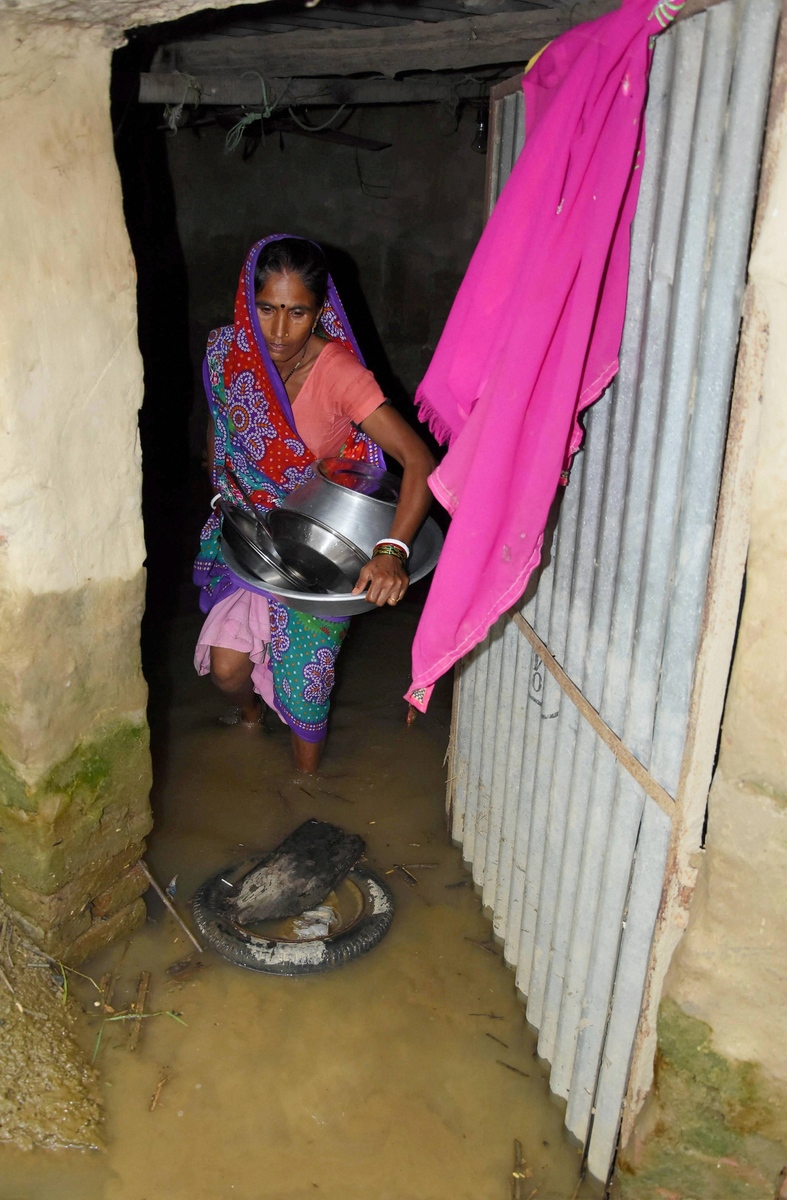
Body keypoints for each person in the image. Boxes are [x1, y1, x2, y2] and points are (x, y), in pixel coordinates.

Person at [193, 235, 436, 773]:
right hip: (252, 537)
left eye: (297, 312)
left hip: (314, 551)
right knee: (227, 671)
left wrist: (392, 551)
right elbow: (222, 425)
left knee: (303, 688)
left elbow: (418, 459)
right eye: (266, 309)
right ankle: (252, 720)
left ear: (320, 311)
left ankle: (306, 789)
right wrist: (222, 477)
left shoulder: (340, 375)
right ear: (246, 303)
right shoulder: (228, 355)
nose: (278, 331)